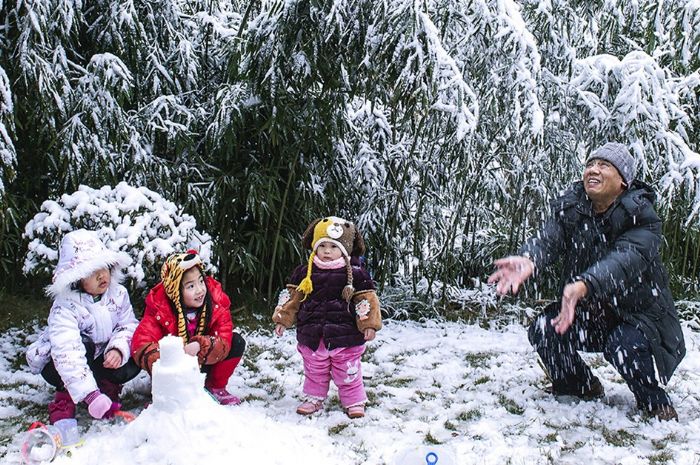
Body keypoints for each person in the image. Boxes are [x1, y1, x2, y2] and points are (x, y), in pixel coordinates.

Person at [488, 142, 686, 421]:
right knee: (547, 327)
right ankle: (579, 386)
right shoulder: (574, 207)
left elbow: (624, 260)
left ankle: (654, 402)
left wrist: (585, 284)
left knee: (623, 344)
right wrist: (530, 259)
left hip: (639, 318)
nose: (593, 170)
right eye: (590, 164)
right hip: (590, 313)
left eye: (604, 165)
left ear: (623, 182)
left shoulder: (642, 219)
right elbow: (548, 238)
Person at [26, 229, 141, 424]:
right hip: (63, 363)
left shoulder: (118, 294)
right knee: (82, 348)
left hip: (100, 358)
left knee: (132, 354)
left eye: (103, 268)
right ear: (76, 278)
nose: (101, 276)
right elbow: (67, 351)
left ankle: (107, 385)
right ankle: (65, 398)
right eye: (91, 272)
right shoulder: (66, 307)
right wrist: (90, 396)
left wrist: (118, 349)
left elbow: (128, 325)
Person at [273, 216, 382, 418]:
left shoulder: (356, 275)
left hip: (345, 337)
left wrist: (369, 324)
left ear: (345, 249)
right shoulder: (305, 273)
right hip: (313, 335)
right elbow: (292, 299)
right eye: (322, 245)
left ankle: (354, 401)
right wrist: (282, 319)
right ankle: (313, 398)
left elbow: (366, 300)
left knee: (348, 371)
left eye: (333, 246)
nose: (327, 251)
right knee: (315, 370)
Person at [131, 250, 245, 405]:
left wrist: (200, 345)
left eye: (200, 281)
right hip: (174, 371)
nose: (199, 290)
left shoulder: (216, 301)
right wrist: (173, 355)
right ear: (175, 290)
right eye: (190, 286)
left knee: (236, 341)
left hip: (205, 360)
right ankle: (166, 396)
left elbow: (224, 338)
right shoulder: (160, 307)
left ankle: (215, 387)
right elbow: (141, 344)